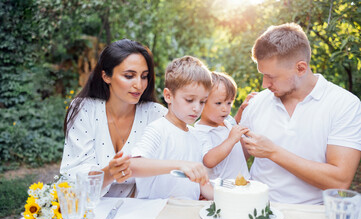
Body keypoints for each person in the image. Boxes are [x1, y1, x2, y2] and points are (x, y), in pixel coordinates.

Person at [60, 39, 209, 197]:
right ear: (106, 76)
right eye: (129, 76)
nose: (139, 84)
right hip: (87, 207)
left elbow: (179, 153)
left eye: (144, 76)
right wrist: (110, 173)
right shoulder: (85, 110)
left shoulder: (156, 113)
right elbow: (74, 179)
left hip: (136, 211)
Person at [240, 23, 361, 204]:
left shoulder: (344, 105)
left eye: (271, 77)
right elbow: (233, 160)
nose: (264, 84)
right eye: (262, 75)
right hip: (256, 210)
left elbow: (339, 181)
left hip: (313, 215)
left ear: (301, 68)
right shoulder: (256, 103)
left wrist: (273, 152)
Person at [131, 55, 214, 200]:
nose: (196, 108)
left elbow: (203, 184)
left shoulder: (197, 136)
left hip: (186, 214)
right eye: (189, 100)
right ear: (168, 96)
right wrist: (179, 165)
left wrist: (225, 199)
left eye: (202, 101)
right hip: (155, 214)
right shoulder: (158, 129)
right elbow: (133, 166)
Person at [194, 72, 251, 180]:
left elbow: (234, 122)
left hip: (243, 182)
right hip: (223, 189)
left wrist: (242, 109)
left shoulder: (227, 123)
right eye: (218, 103)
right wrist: (231, 139)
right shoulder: (200, 131)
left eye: (229, 103)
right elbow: (208, 161)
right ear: (202, 103)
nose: (225, 108)